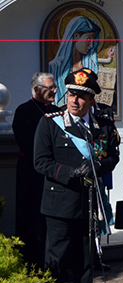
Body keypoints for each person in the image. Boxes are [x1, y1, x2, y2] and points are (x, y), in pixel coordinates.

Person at [34, 68, 120, 283]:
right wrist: (71, 173)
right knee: (56, 263)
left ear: (92, 100)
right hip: (59, 203)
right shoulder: (50, 122)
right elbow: (41, 162)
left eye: (81, 96)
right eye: (71, 94)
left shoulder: (102, 124)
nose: (74, 100)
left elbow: (112, 156)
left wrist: (97, 169)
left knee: (85, 261)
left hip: (87, 202)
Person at [12, 72, 61, 270]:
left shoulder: (58, 111)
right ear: (36, 89)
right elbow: (28, 144)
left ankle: (55, 265)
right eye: (50, 88)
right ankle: (34, 266)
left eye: (54, 87)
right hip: (32, 177)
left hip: (55, 177)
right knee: (33, 223)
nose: (54, 91)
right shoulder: (24, 111)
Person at [49, 16, 114, 105]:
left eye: (93, 41)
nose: (91, 45)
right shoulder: (54, 67)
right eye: (88, 39)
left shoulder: (91, 67)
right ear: (76, 36)